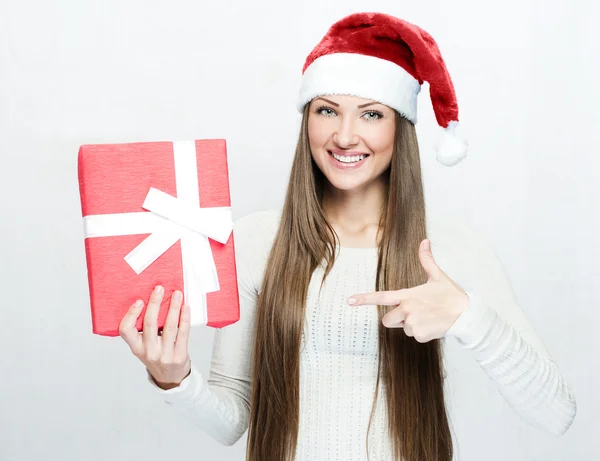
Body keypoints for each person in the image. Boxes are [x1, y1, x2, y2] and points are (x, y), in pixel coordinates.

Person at [118, 12, 577, 461]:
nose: (344, 135)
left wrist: (467, 317)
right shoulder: (257, 241)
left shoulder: (444, 250)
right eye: (327, 110)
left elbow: (556, 413)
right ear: (308, 119)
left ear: (401, 127)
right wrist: (175, 378)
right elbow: (232, 419)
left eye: (371, 114)